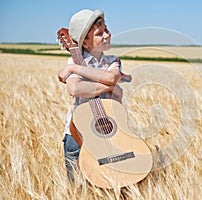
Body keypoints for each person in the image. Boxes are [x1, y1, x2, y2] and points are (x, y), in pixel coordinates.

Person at [58, 9, 129, 183]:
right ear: (86, 43)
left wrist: (75, 70)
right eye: (99, 33)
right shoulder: (75, 59)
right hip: (78, 135)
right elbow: (75, 89)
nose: (107, 34)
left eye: (106, 29)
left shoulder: (113, 61)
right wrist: (110, 87)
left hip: (108, 133)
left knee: (114, 184)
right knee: (77, 190)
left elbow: (112, 77)